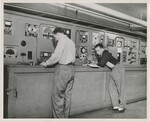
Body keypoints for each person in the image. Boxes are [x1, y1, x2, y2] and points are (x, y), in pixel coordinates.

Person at [40, 27, 75, 118]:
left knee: (57, 97)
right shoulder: (71, 42)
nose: (55, 39)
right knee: (67, 96)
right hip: (71, 69)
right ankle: (65, 118)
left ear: (58, 34)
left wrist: (46, 63)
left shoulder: (62, 41)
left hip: (62, 69)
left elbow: (56, 56)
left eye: (55, 37)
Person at [94, 43, 126, 113]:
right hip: (114, 70)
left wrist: (97, 62)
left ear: (102, 49)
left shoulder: (105, 53)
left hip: (118, 68)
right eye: (96, 51)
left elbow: (102, 63)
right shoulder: (102, 55)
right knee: (111, 87)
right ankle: (116, 105)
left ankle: (122, 106)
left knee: (120, 88)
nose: (97, 52)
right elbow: (101, 62)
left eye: (98, 50)